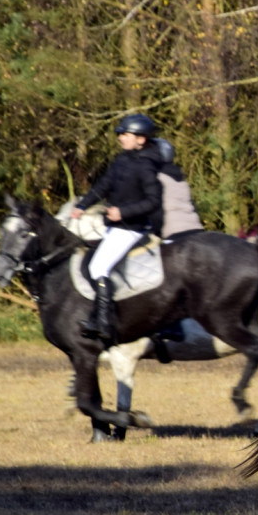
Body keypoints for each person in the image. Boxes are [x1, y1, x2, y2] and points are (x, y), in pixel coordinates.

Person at [70, 113, 164, 344]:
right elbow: (103, 185)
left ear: (141, 139)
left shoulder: (147, 165)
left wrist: (123, 212)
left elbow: (153, 201)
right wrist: (82, 205)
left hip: (132, 227)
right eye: (121, 134)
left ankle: (103, 323)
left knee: (98, 267)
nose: (121, 137)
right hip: (114, 226)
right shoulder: (122, 160)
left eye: (126, 134)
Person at [153, 138, 204, 240]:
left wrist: (156, 232)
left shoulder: (156, 178)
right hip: (197, 229)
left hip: (173, 232)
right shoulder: (181, 180)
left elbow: (156, 212)